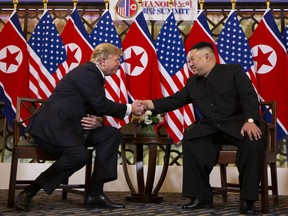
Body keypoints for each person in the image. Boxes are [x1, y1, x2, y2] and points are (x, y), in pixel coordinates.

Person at [15, 43, 144, 211]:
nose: (120, 64)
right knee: (79, 155)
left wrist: (98, 120)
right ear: (103, 60)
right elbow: (101, 104)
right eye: (117, 60)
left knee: (110, 134)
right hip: (53, 129)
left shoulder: (94, 76)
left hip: (71, 129)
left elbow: (94, 107)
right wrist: (130, 108)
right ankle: (29, 191)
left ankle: (95, 194)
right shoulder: (88, 72)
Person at [141, 41, 265, 215]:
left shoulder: (233, 71)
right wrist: (149, 104)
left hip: (238, 125)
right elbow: (175, 100)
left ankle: (248, 200)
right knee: (192, 140)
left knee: (253, 140)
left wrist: (251, 120)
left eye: (192, 59)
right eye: (188, 61)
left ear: (207, 56)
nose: (190, 64)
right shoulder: (193, 83)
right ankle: (201, 198)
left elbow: (248, 96)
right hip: (212, 129)